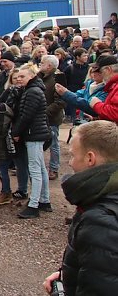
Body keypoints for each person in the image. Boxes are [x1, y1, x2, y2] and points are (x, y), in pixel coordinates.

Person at [42, 120, 118, 296]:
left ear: (90, 158)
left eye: (73, 155)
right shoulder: (102, 198)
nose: (70, 163)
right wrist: (67, 276)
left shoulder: (100, 221)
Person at [12, 63, 51, 218]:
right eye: (18, 76)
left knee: (35, 169)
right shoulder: (33, 90)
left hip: (34, 133)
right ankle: (44, 200)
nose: (19, 79)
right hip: (36, 132)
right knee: (40, 168)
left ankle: (34, 204)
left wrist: (16, 132)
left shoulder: (32, 91)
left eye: (23, 76)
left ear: (32, 76)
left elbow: (27, 115)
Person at [39, 55, 66, 180]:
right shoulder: (39, 77)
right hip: (39, 118)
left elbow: (60, 102)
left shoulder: (58, 79)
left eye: (42, 62)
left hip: (52, 118)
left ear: (49, 66)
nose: (40, 64)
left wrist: (44, 112)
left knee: (53, 144)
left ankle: (54, 169)